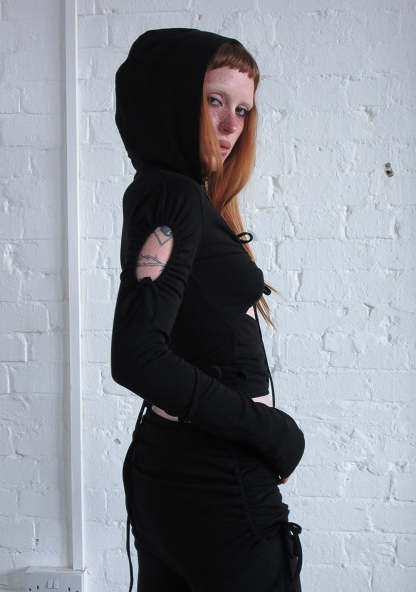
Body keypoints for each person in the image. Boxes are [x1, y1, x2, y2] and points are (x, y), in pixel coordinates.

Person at [111, 27, 305, 592]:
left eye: (242, 110)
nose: (230, 126)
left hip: (180, 473)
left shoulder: (176, 195)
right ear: (174, 100)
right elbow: (137, 356)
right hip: (218, 484)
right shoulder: (172, 197)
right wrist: (268, 432)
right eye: (214, 100)